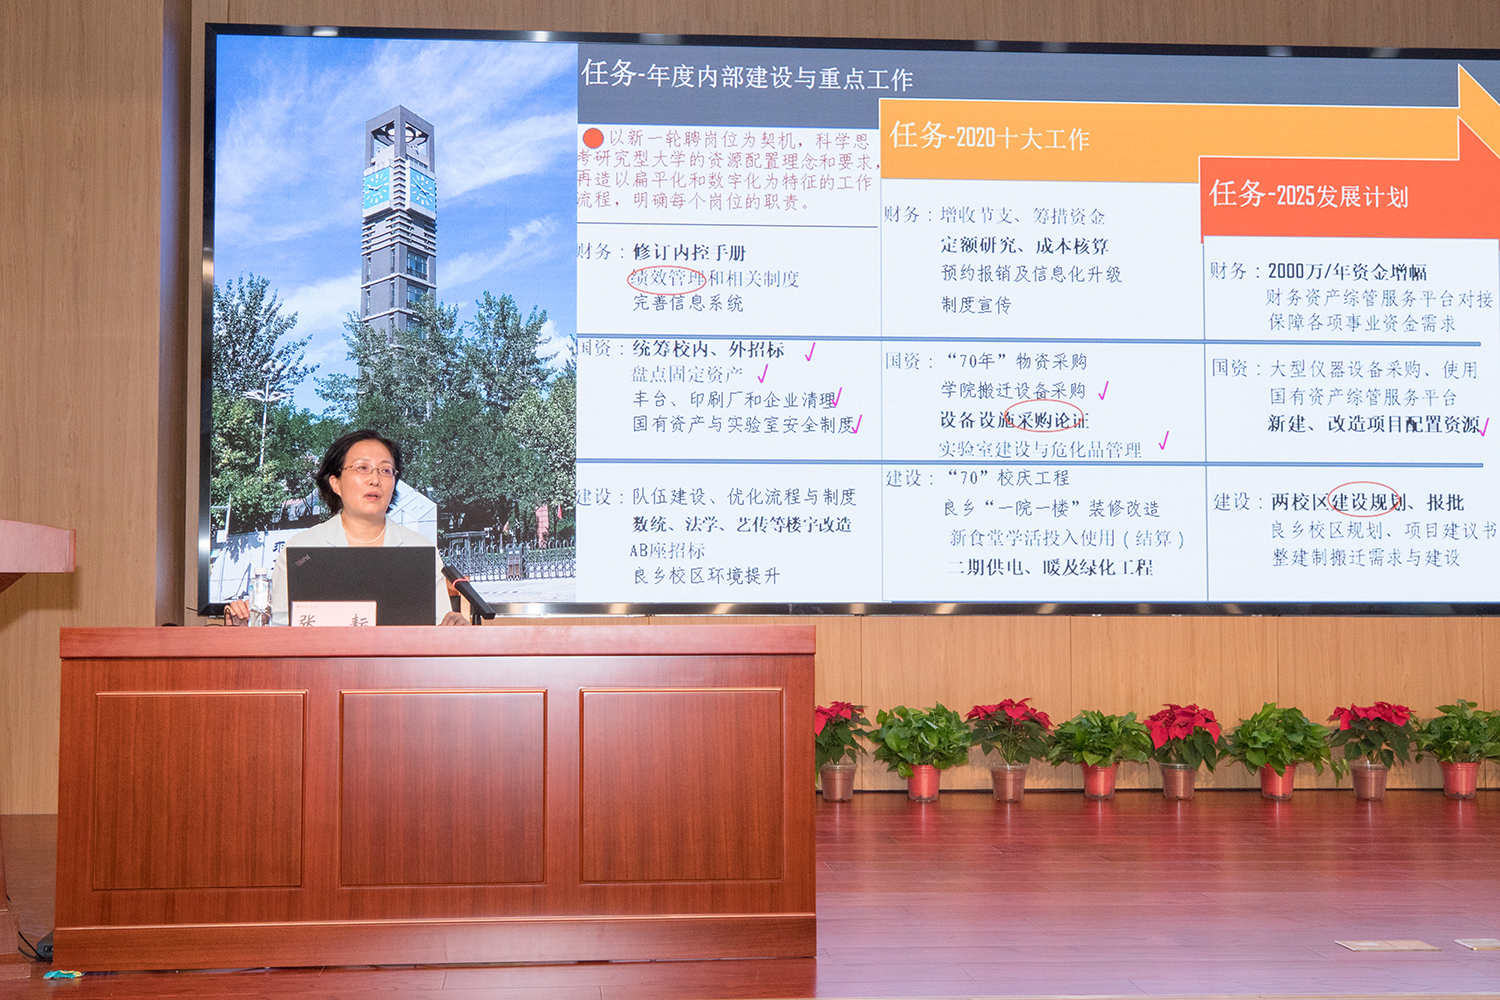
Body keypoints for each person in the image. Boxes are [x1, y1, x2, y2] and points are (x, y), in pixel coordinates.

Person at [226, 429, 468, 626]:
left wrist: (454, 629)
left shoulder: (420, 549)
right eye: (363, 468)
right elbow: (281, 631)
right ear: (335, 483)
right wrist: (244, 627)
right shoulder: (302, 548)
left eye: (385, 470)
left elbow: (438, 629)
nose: (375, 479)